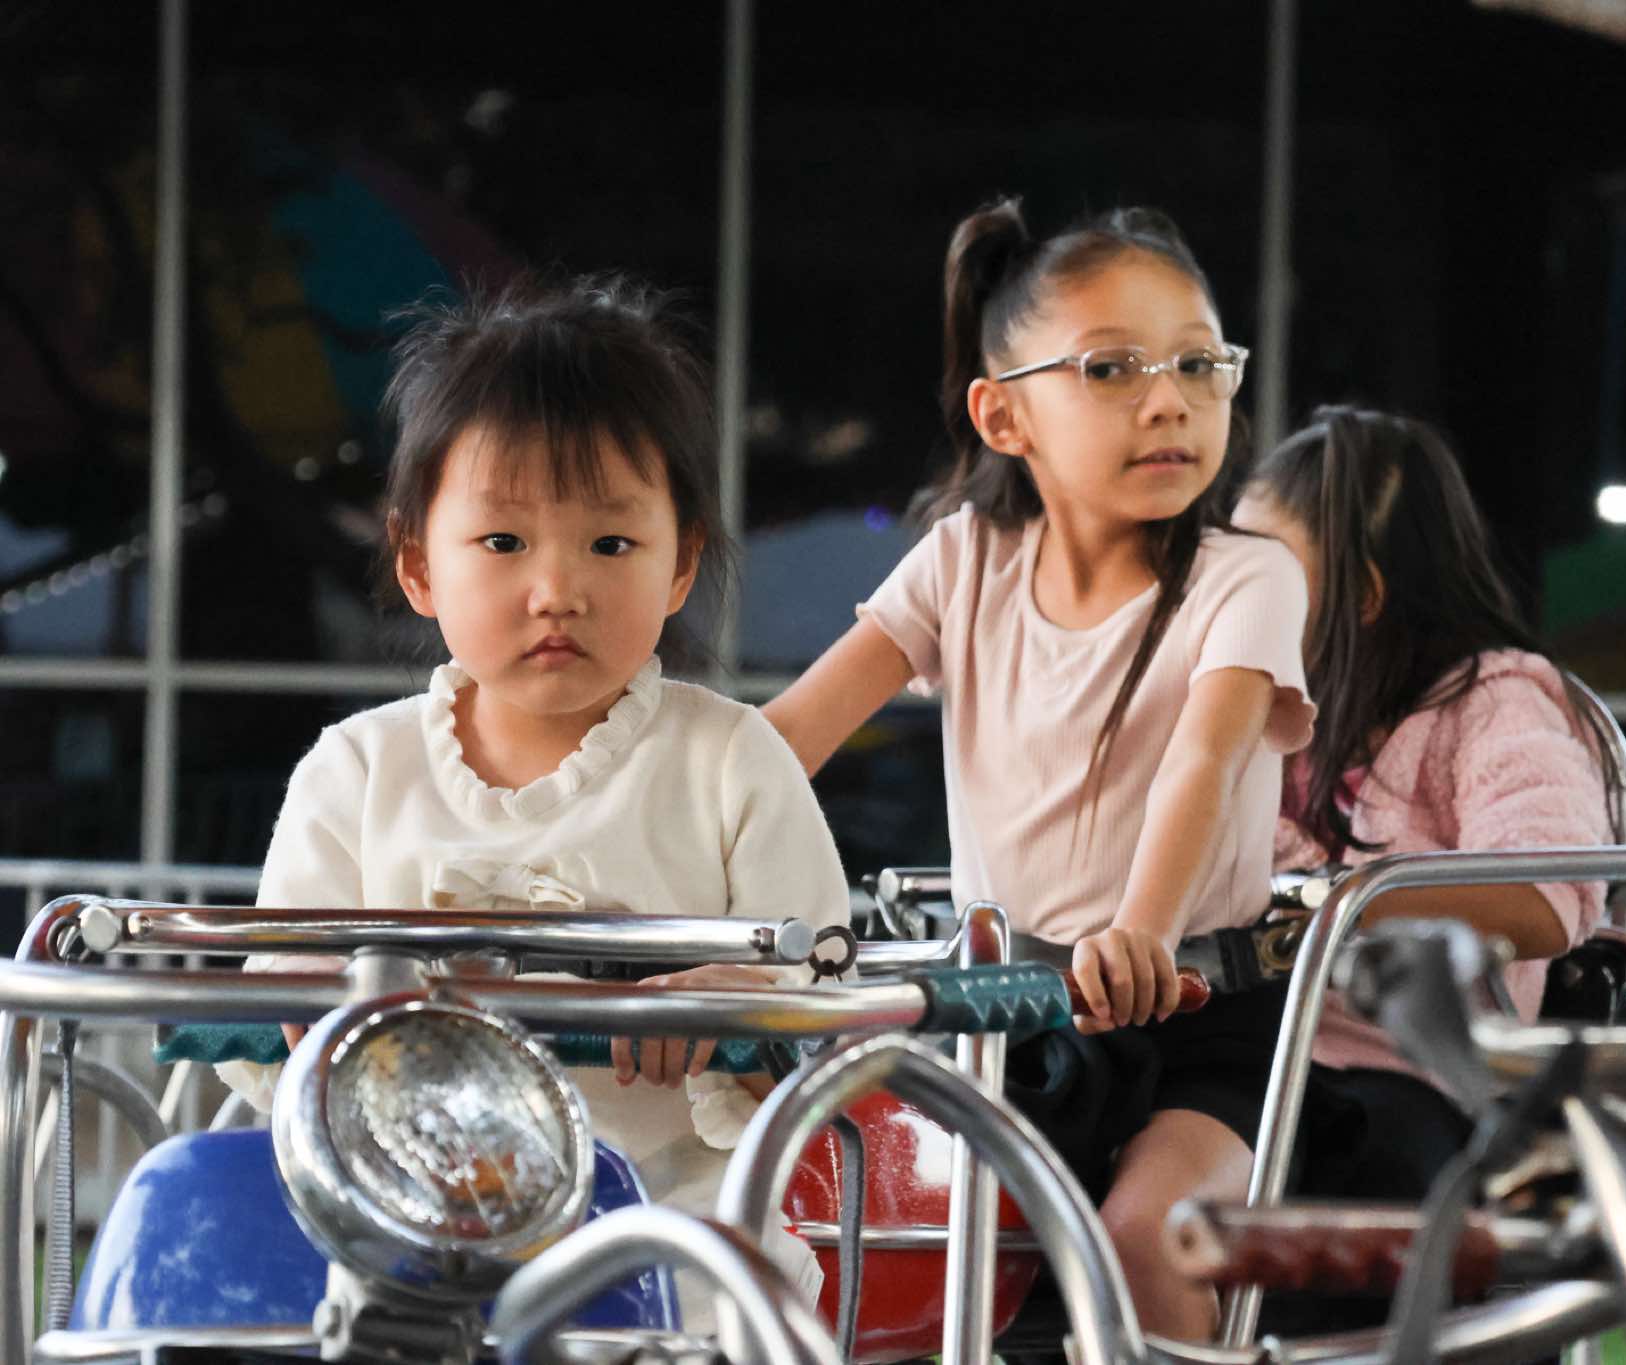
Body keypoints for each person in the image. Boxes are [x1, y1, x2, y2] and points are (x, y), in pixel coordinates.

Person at [216, 276, 847, 1307]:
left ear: (680, 563)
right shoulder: (355, 772)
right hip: (403, 1240)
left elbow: (827, 1019)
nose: (558, 590)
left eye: (611, 543)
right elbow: (275, 1006)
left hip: (675, 1243)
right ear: (418, 565)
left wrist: (734, 1007)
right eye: (504, 542)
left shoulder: (733, 761)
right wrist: (306, 1000)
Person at [764, 197, 1314, 1339]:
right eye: (1110, 369)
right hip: (1002, 1021)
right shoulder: (962, 561)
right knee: (871, 1246)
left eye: (1198, 363)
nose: (1168, 399)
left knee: (1145, 1240)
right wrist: (632, 826)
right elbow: (783, 743)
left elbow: (1204, 756)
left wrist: (1140, 933)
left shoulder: (1246, 573)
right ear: (1002, 414)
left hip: (1200, 1013)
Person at [1233, 404, 1626, 1335]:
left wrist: (1337, 904)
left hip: (1414, 1077)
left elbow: (1549, 893)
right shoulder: (1249, 710)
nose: (1229, 597)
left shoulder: (1493, 703)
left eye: (1259, 572)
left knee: (1353, 1179)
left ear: (1362, 597)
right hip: (1251, 1063)